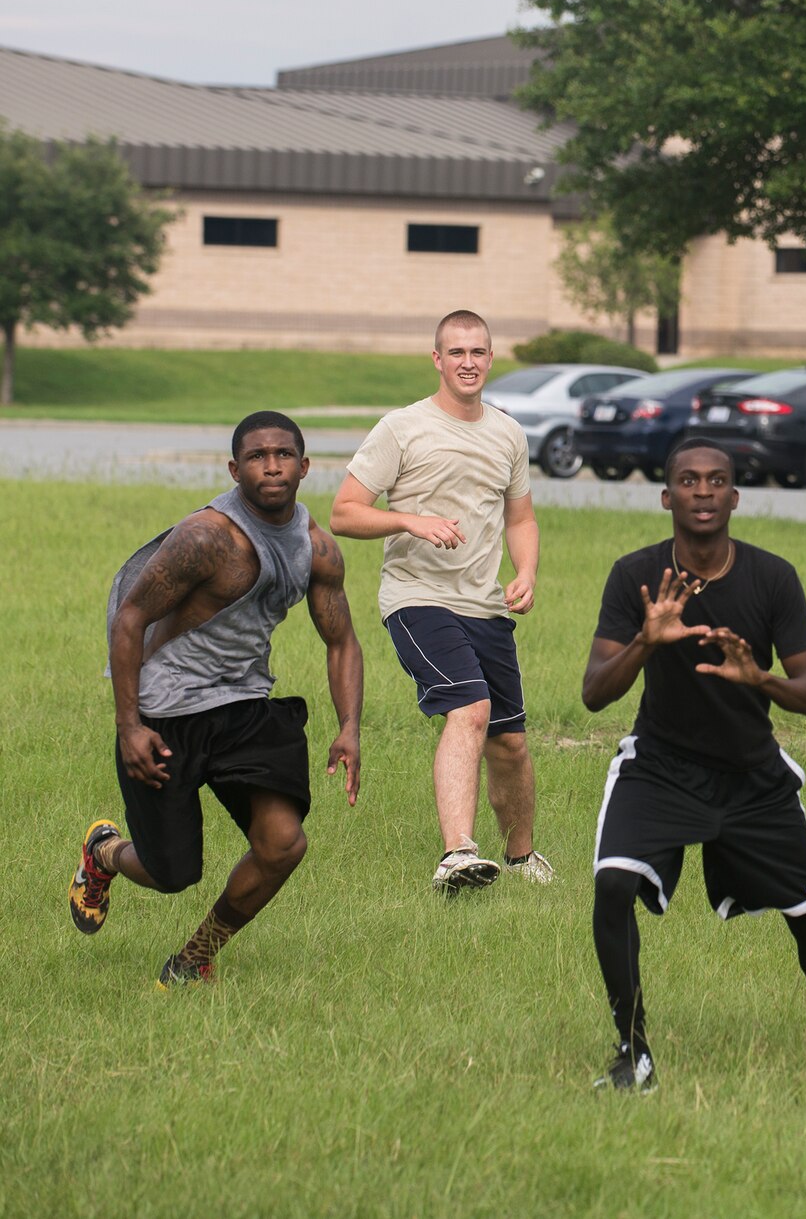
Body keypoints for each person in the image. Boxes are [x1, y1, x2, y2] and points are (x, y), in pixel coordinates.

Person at [580, 437, 806, 1090]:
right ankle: (632, 1053)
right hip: (660, 766)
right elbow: (594, 692)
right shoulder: (635, 574)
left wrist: (759, 678)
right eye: (689, 480)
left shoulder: (772, 576)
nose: (703, 490)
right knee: (613, 883)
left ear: (734, 496)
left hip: (752, 774)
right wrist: (646, 641)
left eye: (717, 480)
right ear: (667, 495)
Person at [72, 411, 362, 987]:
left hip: (243, 705)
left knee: (283, 844)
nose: (272, 465)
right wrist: (128, 724)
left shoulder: (317, 549)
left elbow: (342, 641)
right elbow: (130, 617)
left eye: (284, 455)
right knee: (171, 872)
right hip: (165, 711)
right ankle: (103, 853)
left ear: (305, 467)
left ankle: (192, 959)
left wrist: (349, 725)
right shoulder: (207, 539)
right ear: (235, 468)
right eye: (257, 456)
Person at [332, 309, 551, 893]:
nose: (468, 362)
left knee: (509, 742)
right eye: (456, 352)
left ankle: (524, 859)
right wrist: (410, 520)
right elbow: (343, 511)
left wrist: (525, 571)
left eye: (477, 352)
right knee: (470, 709)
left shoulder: (508, 433)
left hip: (484, 605)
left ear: (490, 357)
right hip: (417, 599)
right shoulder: (402, 428)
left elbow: (521, 516)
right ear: (437, 359)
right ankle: (457, 854)